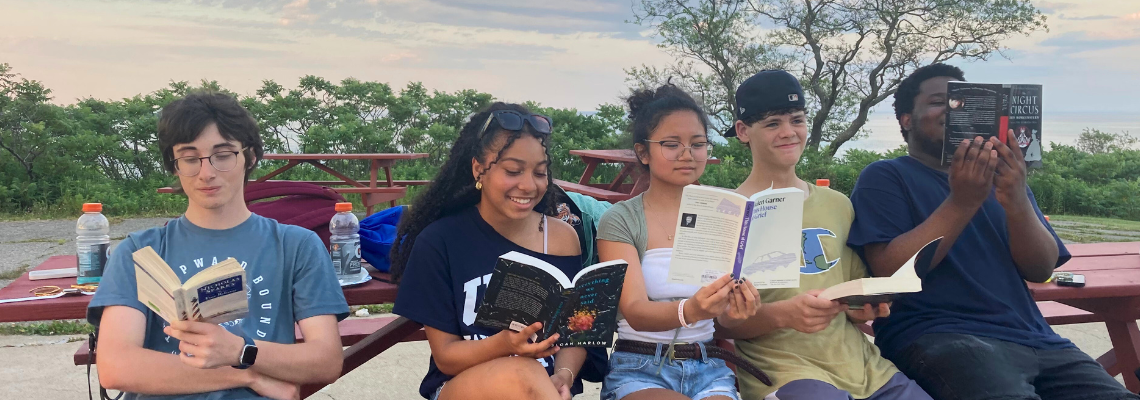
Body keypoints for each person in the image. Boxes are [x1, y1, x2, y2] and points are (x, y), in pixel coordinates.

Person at [847, 63, 1138, 400]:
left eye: (962, 102)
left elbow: (1041, 268)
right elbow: (890, 271)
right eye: (939, 101)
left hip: (1036, 337)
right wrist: (961, 202)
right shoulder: (886, 176)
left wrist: (1016, 199)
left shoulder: (1003, 180)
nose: (954, 110)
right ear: (906, 119)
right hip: (938, 334)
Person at [87, 92, 349, 400]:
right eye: (189, 158)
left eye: (222, 155)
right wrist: (247, 373)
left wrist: (239, 349)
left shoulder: (295, 245)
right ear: (174, 166)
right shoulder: (140, 251)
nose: (207, 172)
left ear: (249, 157)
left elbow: (326, 360)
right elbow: (117, 367)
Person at [716, 70, 932, 400]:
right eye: (772, 123)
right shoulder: (729, 213)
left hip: (865, 369)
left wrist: (865, 307)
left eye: (796, 120)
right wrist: (783, 314)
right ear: (744, 131)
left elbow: (852, 291)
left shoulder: (838, 204)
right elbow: (720, 324)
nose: (788, 132)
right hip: (784, 374)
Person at [390, 103, 588, 400]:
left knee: (532, 375)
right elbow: (446, 357)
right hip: (462, 384)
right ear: (478, 169)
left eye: (539, 172)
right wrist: (506, 345)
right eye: (513, 171)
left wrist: (564, 375)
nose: (528, 185)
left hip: (542, 389)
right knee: (523, 372)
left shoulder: (562, 238)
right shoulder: (441, 241)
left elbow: (575, 335)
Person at [596, 84, 765, 400]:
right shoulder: (621, 219)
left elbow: (722, 317)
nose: (687, 154)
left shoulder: (726, 212)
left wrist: (737, 310)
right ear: (643, 152)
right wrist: (692, 309)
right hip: (640, 366)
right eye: (671, 144)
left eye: (698, 144)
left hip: (707, 365)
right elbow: (633, 310)